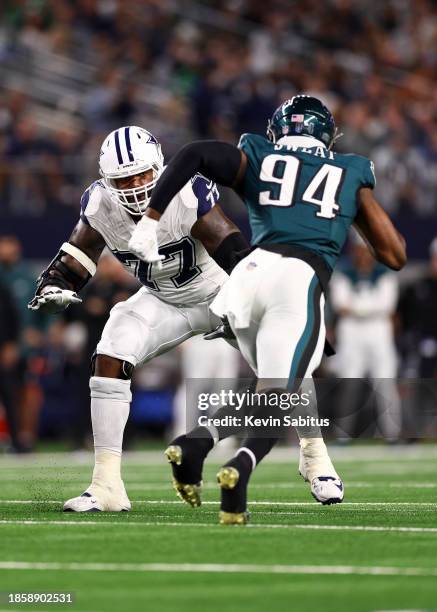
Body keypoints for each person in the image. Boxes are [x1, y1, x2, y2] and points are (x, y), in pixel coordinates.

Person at [140, 95, 407, 524]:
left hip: (246, 276)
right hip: (296, 280)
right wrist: (351, 205)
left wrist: (151, 218)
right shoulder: (350, 169)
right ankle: (236, 467)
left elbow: (195, 154)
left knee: (279, 389)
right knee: (278, 396)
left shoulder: (257, 153)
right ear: (327, 135)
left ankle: (206, 445)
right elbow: (394, 254)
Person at [28, 125, 249, 512]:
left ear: (160, 167)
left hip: (220, 295)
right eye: (122, 178)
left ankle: (316, 460)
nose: (133, 185)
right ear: (105, 180)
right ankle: (106, 484)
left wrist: (252, 299)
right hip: (163, 300)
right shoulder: (100, 204)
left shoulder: (186, 192)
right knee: (112, 346)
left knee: (286, 366)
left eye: (142, 174)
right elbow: (78, 256)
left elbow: (231, 248)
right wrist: (54, 285)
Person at [330, 235, 402, 442]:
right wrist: (370, 308)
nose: (363, 255)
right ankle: (343, 436)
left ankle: (392, 435)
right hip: (352, 333)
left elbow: (387, 305)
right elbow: (340, 305)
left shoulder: (385, 272)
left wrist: (356, 307)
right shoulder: (343, 271)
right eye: (359, 250)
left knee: (385, 382)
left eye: (366, 250)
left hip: (379, 333)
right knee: (349, 383)